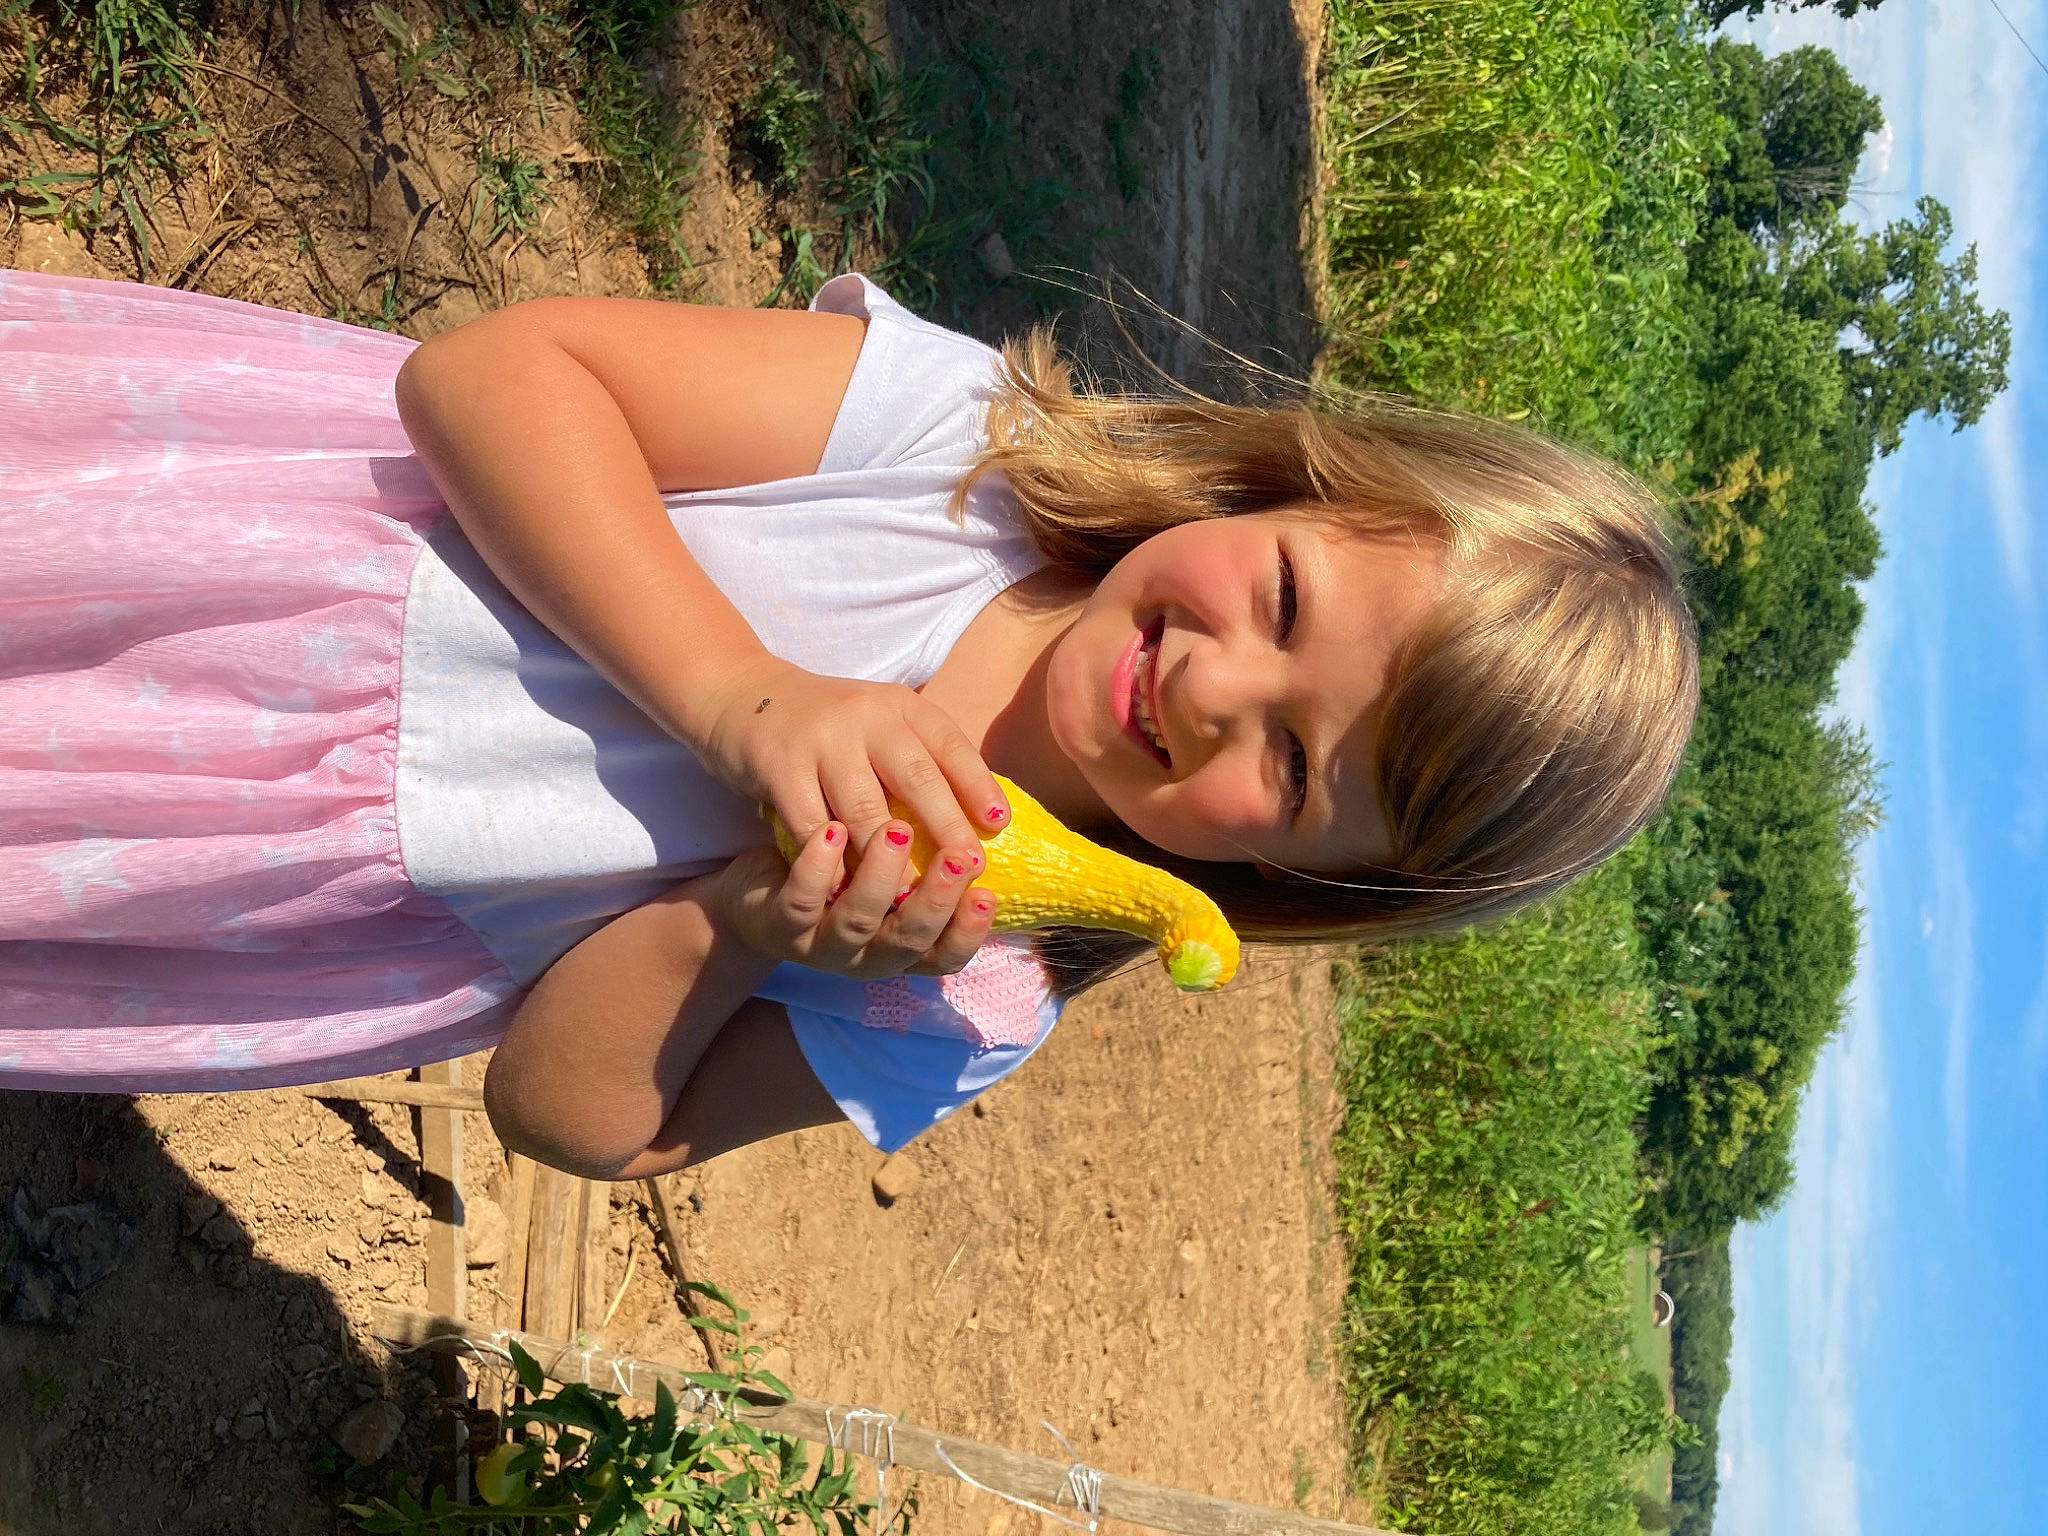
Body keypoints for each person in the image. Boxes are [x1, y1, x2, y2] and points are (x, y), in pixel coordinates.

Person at [0, 266, 1697, 1180]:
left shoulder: (969, 994)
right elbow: (487, 375)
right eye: (1285, 606)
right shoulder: (950, 451)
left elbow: (579, 1119)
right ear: (1293, 488)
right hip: (238, 556)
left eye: (1299, 766)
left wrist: (743, 917)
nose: (1210, 688)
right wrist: (747, 700)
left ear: (1307, 884)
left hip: (225, 871)